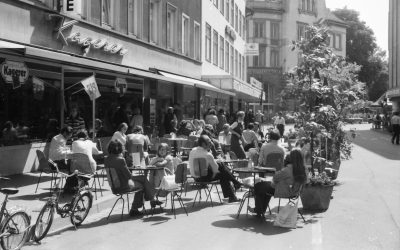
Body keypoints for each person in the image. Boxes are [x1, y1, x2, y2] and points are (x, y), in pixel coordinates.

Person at [105, 140, 162, 217]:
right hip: (123, 186)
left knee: (142, 179)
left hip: (114, 186)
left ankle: (152, 200)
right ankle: (136, 208)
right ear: (119, 148)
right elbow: (128, 176)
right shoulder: (120, 160)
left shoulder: (106, 159)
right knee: (142, 184)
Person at [249, 148, 307, 217]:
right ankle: (260, 210)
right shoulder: (304, 169)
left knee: (258, 186)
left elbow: (276, 177)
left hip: (283, 191)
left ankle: (258, 210)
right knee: (265, 187)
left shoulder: (289, 169)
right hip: (295, 192)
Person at [188, 135, 242, 203]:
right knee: (222, 170)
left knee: (222, 169)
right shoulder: (207, 154)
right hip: (203, 177)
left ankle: (235, 185)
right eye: (209, 142)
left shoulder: (193, 150)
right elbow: (216, 170)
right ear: (203, 144)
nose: (211, 143)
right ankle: (235, 185)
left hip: (195, 177)